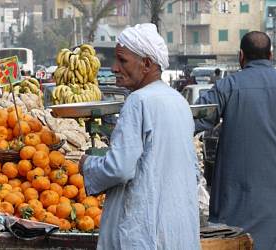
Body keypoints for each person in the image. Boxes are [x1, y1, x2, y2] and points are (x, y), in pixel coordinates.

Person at [78, 23, 200, 249]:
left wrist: (88, 164)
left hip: (144, 233)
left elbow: (119, 168)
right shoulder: (179, 101)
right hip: (178, 231)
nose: (114, 68)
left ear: (146, 64)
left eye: (122, 61)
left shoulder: (138, 101)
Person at [195, 31, 276, 250]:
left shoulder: (228, 86)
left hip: (234, 210)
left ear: (241, 56)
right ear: (271, 55)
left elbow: (193, 120)